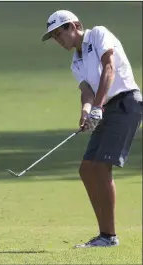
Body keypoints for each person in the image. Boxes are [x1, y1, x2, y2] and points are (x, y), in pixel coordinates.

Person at [41, 10, 142, 248]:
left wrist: (97, 107)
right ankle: (104, 235)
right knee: (86, 169)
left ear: (75, 25)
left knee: (99, 166)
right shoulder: (75, 62)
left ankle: (109, 236)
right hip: (105, 108)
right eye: (54, 37)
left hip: (126, 102)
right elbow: (86, 91)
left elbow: (109, 68)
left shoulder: (98, 34)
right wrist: (87, 111)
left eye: (59, 33)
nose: (58, 40)